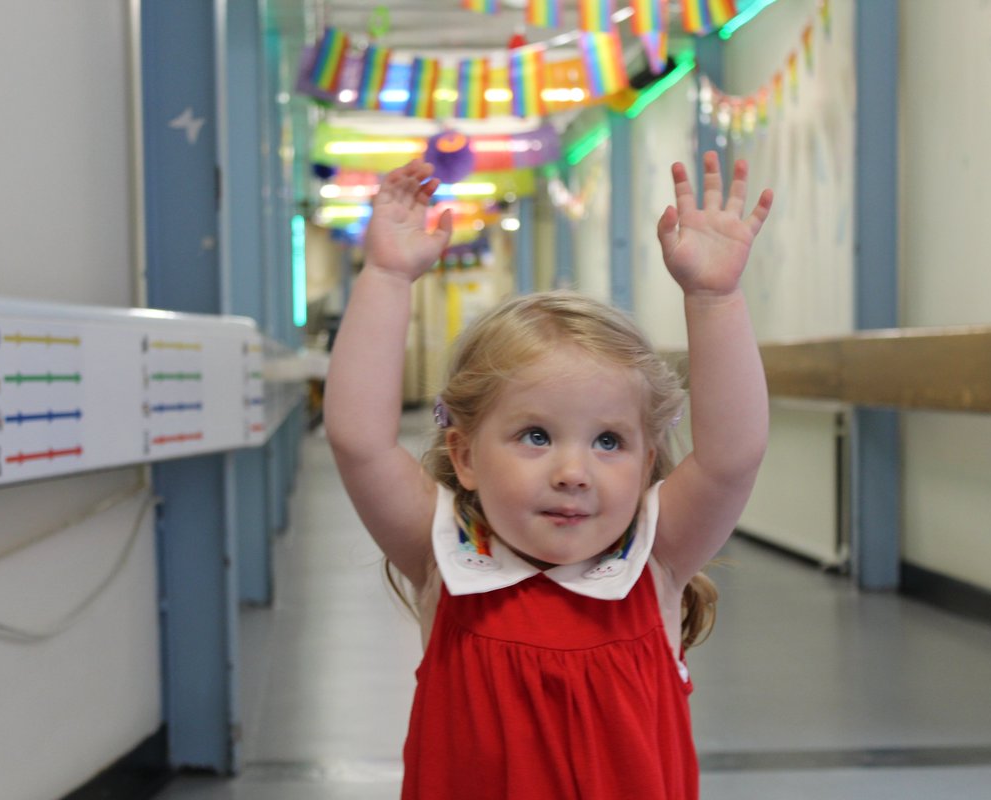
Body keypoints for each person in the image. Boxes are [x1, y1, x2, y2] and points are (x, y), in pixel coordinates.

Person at [324, 153, 773, 799]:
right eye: (535, 436)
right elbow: (359, 441)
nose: (573, 472)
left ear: (648, 461)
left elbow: (732, 456)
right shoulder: (444, 560)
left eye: (609, 441)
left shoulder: (656, 561)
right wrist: (388, 277)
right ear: (468, 455)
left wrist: (714, 297)